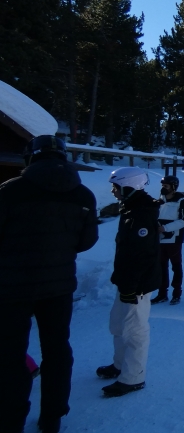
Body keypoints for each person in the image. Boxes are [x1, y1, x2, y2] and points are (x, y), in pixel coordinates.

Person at [0, 136, 98, 433]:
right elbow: (87, 240)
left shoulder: (10, 190)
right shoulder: (82, 195)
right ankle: (52, 416)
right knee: (57, 349)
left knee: (10, 354)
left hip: (11, 286)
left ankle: (10, 418)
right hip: (59, 285)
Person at [97, 166, 160, 398]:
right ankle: (120, 364)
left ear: (128, 187)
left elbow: (141, 256)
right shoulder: (132, 208)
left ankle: (134, 377)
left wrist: (131, 287)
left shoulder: (141, 213)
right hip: (126, 281)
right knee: (117, 325)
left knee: (135, 329)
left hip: (137, 285)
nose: (113, 192)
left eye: (116, 187)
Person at [151, 175, 184, 305]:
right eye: (162, 186)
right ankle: (162, 293)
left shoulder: (181, 201)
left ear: (173, 187)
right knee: (161, 267)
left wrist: (166, 228)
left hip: (174, 240)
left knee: (176, 267)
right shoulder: (160, 201)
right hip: (160, 240)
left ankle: (176, 293)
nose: (163, 188)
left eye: (166, 186)